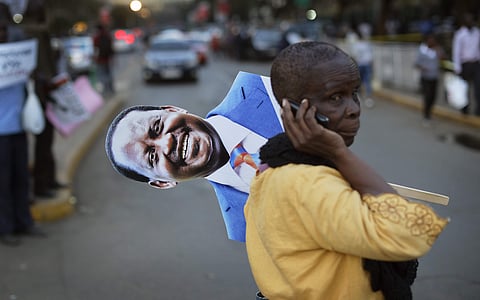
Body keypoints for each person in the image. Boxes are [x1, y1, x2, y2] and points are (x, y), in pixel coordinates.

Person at [244, 41, 448, 299]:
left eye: (354, 93)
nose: (353, 109)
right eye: (335, 98)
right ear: (294, 109)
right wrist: (339, 152)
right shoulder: (308, 182)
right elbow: (412, 233)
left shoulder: (271, 170)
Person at [105, 71, 283, 242]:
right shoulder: (242, 227)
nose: (167, 143)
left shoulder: (260, 86)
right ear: (163, 183)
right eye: (152, 157)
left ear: (173, 109)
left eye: (157, 127)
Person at [0, 3, 46, 247]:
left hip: (18, 126)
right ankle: (6, 227)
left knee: (21, 178)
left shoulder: (17, 50)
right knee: (3, 182)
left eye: (4, 26)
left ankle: (23, 222)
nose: (2, 31)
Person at [21, 0, 67, 199]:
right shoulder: (33, 32)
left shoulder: (38, 31)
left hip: (45, 93)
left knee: (46, 141)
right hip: (39, 95)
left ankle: (47, 180)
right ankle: (42, 184)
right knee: (43, 141)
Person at [452, 12, 480, 116]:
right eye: (468, 20)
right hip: (465, 64)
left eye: (472, 20)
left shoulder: (477, 33)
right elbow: (456, 52)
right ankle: (464, 110)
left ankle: (478, 111)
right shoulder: (460, 34)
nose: (470, 22)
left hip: (476, 63)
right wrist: (457, 68)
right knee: (464, 89)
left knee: (478, 88)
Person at [414, 33, 445, 126]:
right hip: (425, 78)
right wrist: (423, 67)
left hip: (434, 77)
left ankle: (429, 113)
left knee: (433, 97)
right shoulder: (422, 50)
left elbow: (443, 57)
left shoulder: (436, 50)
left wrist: (438, 49)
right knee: (427, 96)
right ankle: (426, 116)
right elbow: (417, 64)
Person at [351, 28, 375, 108]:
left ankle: (360, 97)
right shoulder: (367, 44)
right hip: (366, 64)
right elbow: (371, 57)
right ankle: (368, 98)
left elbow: (354, 56)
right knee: (367, 81)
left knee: (360, 82)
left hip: (360, 64)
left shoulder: (356, 45)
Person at [93, 23, 115, 96]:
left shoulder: (96, 37)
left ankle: (106, 90)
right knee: (109, 74)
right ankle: (111, 89)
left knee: (102, 74)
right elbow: (111, 47)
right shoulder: (107, 35)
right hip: (107, 58)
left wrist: (94, 58)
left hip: (100, 59)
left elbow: (95, 49)